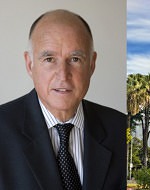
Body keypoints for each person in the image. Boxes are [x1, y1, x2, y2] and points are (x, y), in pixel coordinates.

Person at [0, 9, 126, 190]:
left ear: (91, 64)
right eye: (49, 59)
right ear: (30, 64)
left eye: (75, 59)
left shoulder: (120, 128)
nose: (63, 75)